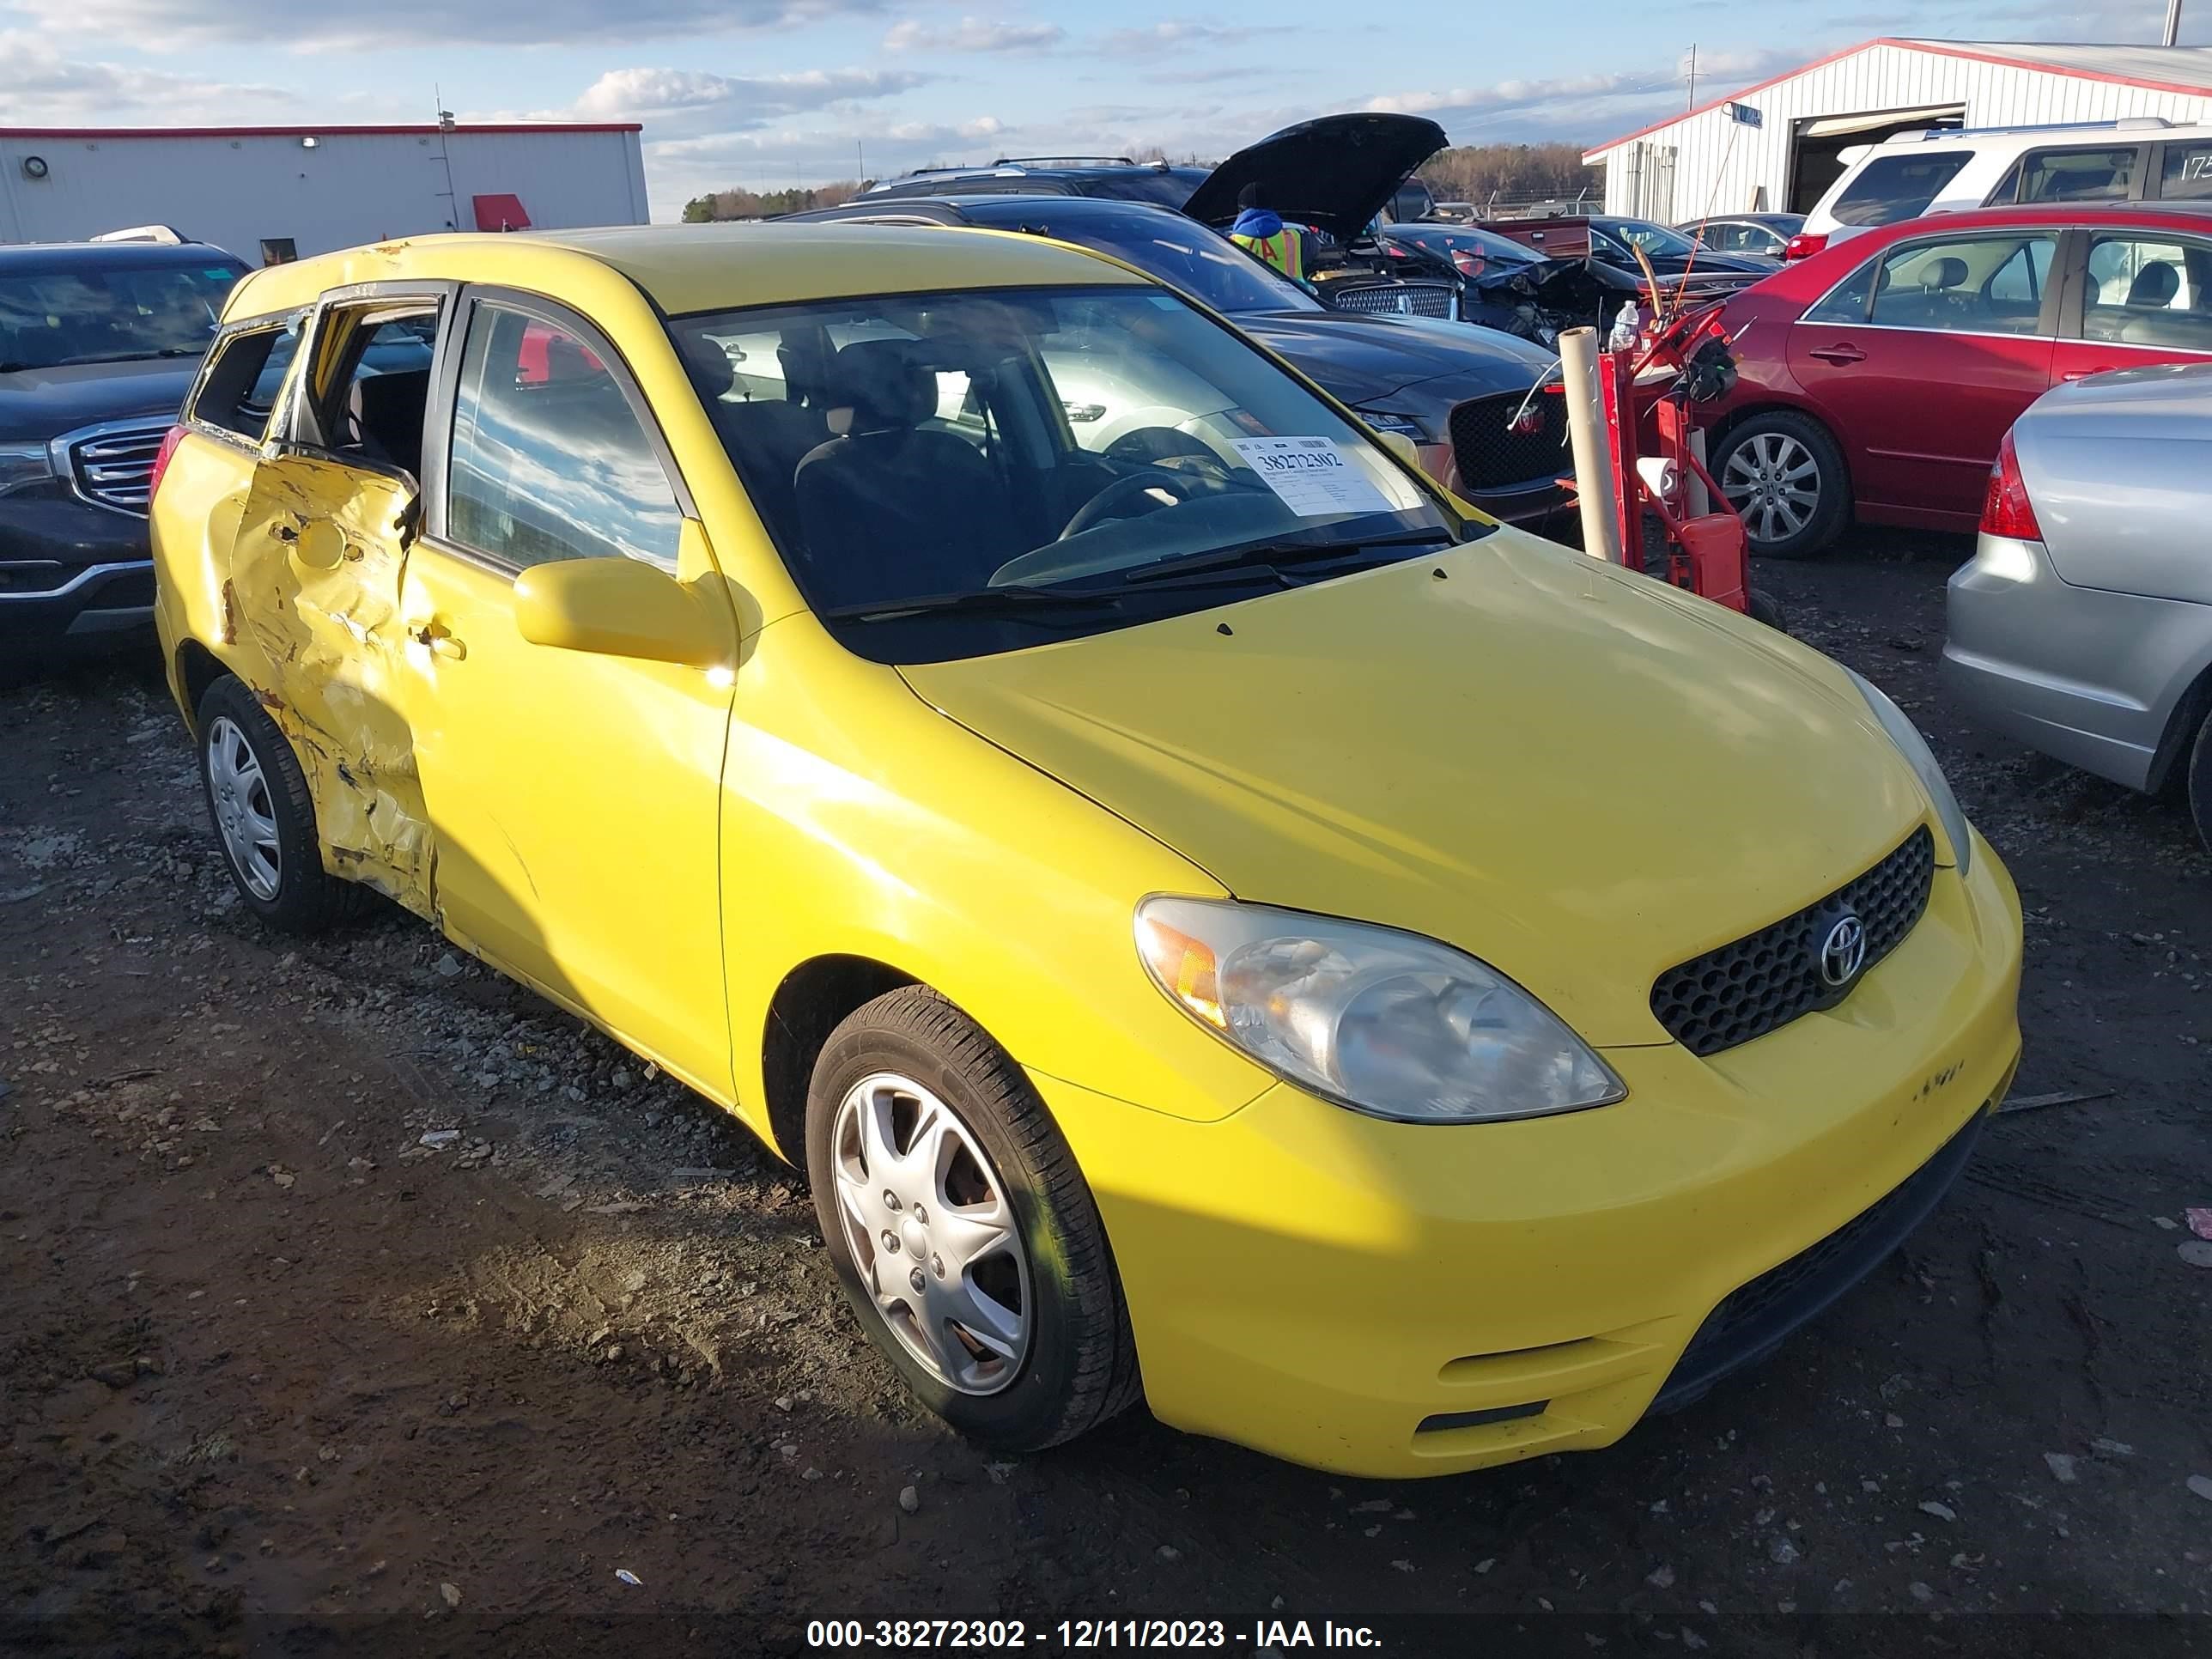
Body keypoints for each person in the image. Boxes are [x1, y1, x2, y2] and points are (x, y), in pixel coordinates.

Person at [1229, 184, 1305, 281]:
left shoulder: (1231, 244)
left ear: (1240, 211)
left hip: (1248, 296)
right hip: (1291, 295)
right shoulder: (1293, 237)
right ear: (1271, 207)